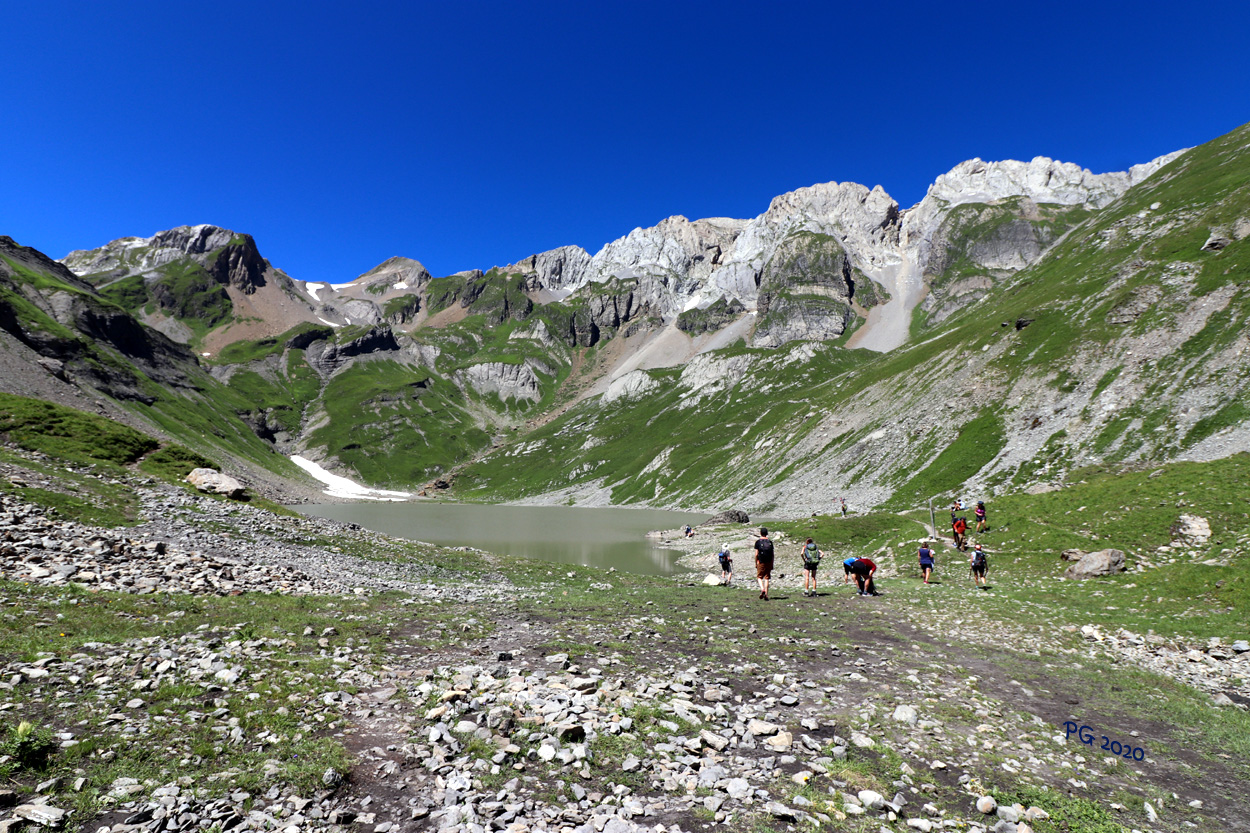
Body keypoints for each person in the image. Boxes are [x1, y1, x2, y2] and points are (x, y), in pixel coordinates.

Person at [753, 528, 775, 600]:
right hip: (769, 561)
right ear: (767, 533)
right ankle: (766, 594)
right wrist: (772, 563)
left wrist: (756, 562)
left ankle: (762, 589)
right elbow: (772, 554)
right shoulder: (770, 542)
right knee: (767, 577)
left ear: (760, 533)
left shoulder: (758, 542)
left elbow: (756, 554)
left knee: (759, 577)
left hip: (761, 561)